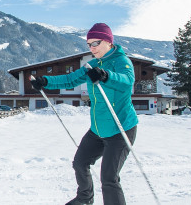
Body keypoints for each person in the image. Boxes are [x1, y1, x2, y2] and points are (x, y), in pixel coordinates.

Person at [30, 23, 138, 205]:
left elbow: (127, 82)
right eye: (88, 44)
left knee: (109, 179)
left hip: (121, 129)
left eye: (95, 43)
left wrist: (106, 76)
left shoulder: (122, 62)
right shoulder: (92, 65)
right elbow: (70, 78)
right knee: (80, 163)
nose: (91, 48)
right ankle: (84, 199)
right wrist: (45, 81)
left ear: (108, 42)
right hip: (98, 129)